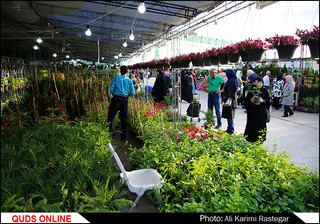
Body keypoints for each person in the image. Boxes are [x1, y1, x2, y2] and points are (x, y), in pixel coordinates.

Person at [107, 65, 135, 140]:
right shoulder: (129, 80)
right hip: (124, 100)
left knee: (111, 116)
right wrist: (126, 95)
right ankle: (123, 136)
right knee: (123, 118)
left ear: (120, 71)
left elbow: (111, 89)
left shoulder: (116, 78)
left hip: (116, 98)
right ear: (127, 72)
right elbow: (132, 92)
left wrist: (114, 93)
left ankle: (109, 133)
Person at [244, 77, 270, 143]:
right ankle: (251, 139)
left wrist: (263, 100)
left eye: (261, 83)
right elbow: (246, 103)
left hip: (261, 112)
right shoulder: (251, 91)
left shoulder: (264, 91)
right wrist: (251, 101)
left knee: (261, 126)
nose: (260, 85)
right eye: (258, 83)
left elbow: (268, 101)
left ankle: (260, 140)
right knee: (252, 125)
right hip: (252, 112)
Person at [221, 69, 238, 135]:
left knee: (230, 115)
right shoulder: (233, 80)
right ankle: (229, 128)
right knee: (229, 115)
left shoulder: (231, 81)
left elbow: (229, 92)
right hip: (231, 100)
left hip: (229, 101)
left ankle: (231, 130)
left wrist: (224, 100)